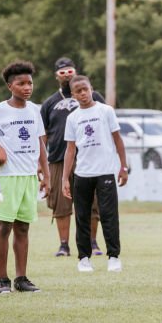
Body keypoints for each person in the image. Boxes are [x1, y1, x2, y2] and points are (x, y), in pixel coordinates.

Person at [0, 61, 50, 294]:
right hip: (5, 178)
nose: (27, 87)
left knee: (23, 228)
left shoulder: (34, 110)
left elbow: (40, 144)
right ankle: (2, 280)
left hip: (28, 178)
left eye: (29, 83)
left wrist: (46, 174)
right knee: (3, 227)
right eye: (21, 83)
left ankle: (21, 278)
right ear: (10, 86)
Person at [62, 75, 128, 272]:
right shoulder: (72, 118)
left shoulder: (105, 111)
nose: (83, 93)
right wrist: (65, 177)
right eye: (78, 91)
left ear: (91, 88)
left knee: (109, 216)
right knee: (81, 217)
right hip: (82, 174)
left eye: (85, 89)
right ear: (73, 95)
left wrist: (123, 167)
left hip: (105, 171)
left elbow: (118, 140)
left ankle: (114, 257)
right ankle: (83, 258)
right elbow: (70, 150)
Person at [40, 57, 104, 257]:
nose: (67, 75)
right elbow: (43, 134)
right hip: (59, 158)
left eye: (70, 71)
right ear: (56, 76)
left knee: (93, 203)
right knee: (61, 204)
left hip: (90, 157)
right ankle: (64, 245)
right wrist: (41, 164)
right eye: (62, 72)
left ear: (76, 72)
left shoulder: (95, 97)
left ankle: (93, 243)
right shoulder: (50, 102)